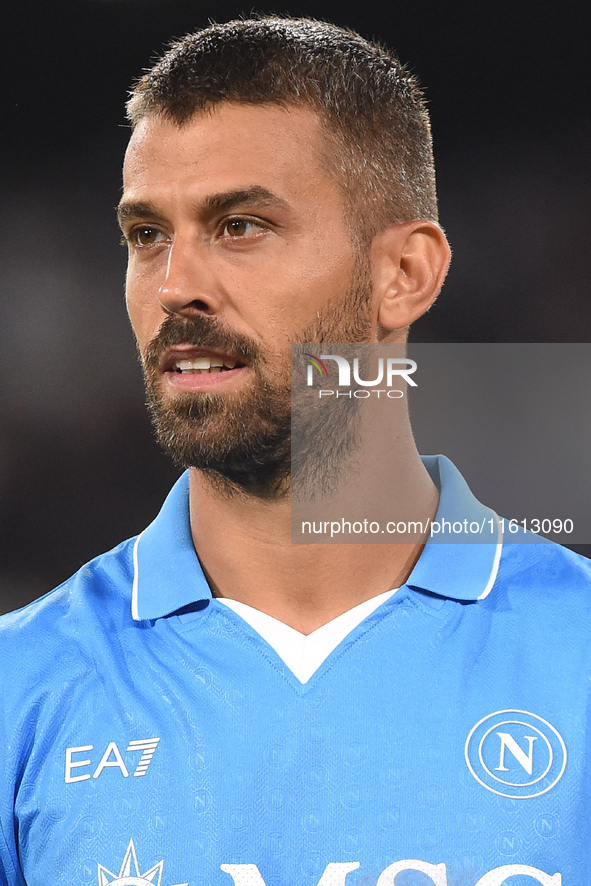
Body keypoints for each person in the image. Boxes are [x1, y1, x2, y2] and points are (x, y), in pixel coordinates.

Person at [0, 17, 589, 886]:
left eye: (239, 226)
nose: (176, 287)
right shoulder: (23, 686)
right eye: (146, 236)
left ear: (405, 275)